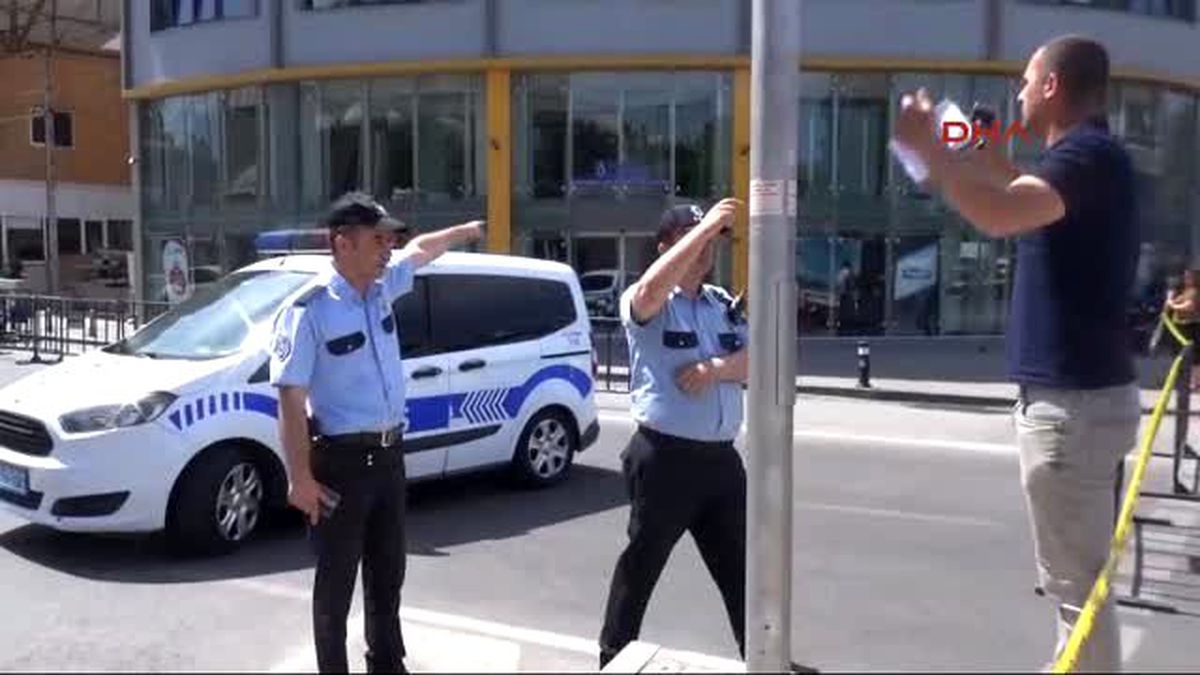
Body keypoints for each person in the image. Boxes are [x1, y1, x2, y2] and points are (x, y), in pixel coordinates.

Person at [892, 35, 1140, 672]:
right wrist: (976, 155)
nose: (1019, 93)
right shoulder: (1087, 162)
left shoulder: (1088, 156)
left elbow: (1001, 213)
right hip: (1081, 406)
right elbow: (1015, 190)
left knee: (1077, 595)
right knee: (1079, 591)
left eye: (1027, 82)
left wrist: (933, 159)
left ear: (1054, 86)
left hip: (1071, 411)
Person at [269, 192, 483, 673]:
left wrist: (463, 232)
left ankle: (386, 663)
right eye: (377, 238)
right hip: (341, 464)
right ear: (342, 243)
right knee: (336, 583)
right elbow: (290, 399)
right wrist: (299, 478)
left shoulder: (383, 287)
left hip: (389, 457)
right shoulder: (310, 310)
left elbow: (422, 250)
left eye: (390, 239)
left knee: (388, 573)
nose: (388, 248)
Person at [598, 198, 749, 668]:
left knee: (743, 570)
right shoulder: (645, 301)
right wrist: (703, 231)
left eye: (711, 242)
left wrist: (717, 368)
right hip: (666, 459)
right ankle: (613, 658)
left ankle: (761, 655)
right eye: (693, 238)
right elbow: (650, 289)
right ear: (667, 245)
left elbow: (762, 360)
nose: (707, 250)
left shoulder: (720, 304)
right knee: (642, 565)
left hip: (722, 462)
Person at [1165, 268, 1199, 389]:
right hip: (1179, 326)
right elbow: (1169, 304)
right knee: (1180, 355)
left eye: (1189, 277)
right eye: (1186, 276)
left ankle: (1195, 382)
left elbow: (1189, 306)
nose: (1186, 279)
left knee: (1194, 356)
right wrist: (1170, 299)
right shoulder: (1184, 291)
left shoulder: (1195, 291)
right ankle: (1182, 380)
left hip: (1191, 326)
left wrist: (1173, 305)